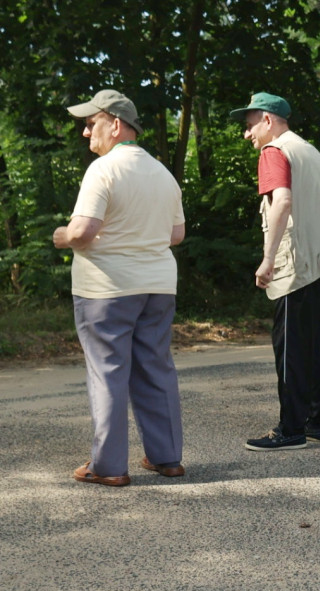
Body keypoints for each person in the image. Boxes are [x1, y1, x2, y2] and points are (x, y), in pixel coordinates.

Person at [54, 89, 185, 486]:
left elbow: (84, 230)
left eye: (90, 123)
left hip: (106, 289)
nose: (85, 133)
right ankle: (167, 459)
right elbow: (176, 234)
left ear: (114, 124)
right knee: (155, 367)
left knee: (108, 370)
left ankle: (109, 467)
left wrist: (61, 235)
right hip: (159, 286)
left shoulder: (103, 169)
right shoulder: (162, 172)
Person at [230, 93, 320, 450]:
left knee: (291, 347)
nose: (247, 134)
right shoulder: (310, 151)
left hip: (297, 264)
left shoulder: (274, 151)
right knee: (319, 344)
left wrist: (267, 259)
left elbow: (282, 201)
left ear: (267, 121)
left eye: (250, 125)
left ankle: (291, 428)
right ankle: (317, 422)